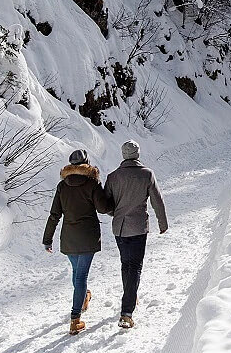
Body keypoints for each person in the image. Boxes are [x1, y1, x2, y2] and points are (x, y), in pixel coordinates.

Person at [43, 148, 113, 335]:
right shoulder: (92, 183)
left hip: (69, 237)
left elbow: (54, 214)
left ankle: (83, 299)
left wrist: (47, 239)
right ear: (87, 163)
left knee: (76, 272)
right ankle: (75, 319)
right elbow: (103, 208)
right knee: (81, 276)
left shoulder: (62, 186)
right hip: (88, 236)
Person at [104, 140, 168, 328]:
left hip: (120, 227)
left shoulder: (113, 177)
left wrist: (116, 213)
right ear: (137, 154)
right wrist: (162, 223)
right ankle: (127, 312)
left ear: (123, 155)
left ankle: (130, 296)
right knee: (135, 266)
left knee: (126, 264)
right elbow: (157, 200)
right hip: (139, 227)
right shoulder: (147, 174)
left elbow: (106, 204)